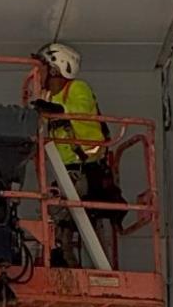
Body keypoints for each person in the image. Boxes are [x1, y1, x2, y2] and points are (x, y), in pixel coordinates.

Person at [28, 42, 121, 264]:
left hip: (85, 169)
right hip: (66, 171)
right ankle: (63, 260)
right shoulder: (49, 98)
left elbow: (80, 111)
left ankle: (66, 261)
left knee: (64, 216)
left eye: (42, 66)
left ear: (54, 69)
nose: (38, 73)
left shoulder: (78, 88)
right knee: (60, 217)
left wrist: (58, 111)